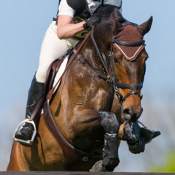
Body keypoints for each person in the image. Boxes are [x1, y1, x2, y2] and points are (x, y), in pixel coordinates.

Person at [14, 0, 123, 146]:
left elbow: (118, 26)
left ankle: (129, 121)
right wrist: (85, 24)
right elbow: (62, 31)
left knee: (119, 66)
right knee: (43, 71)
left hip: (90, 42)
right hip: (65, 39)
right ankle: (29, 122)